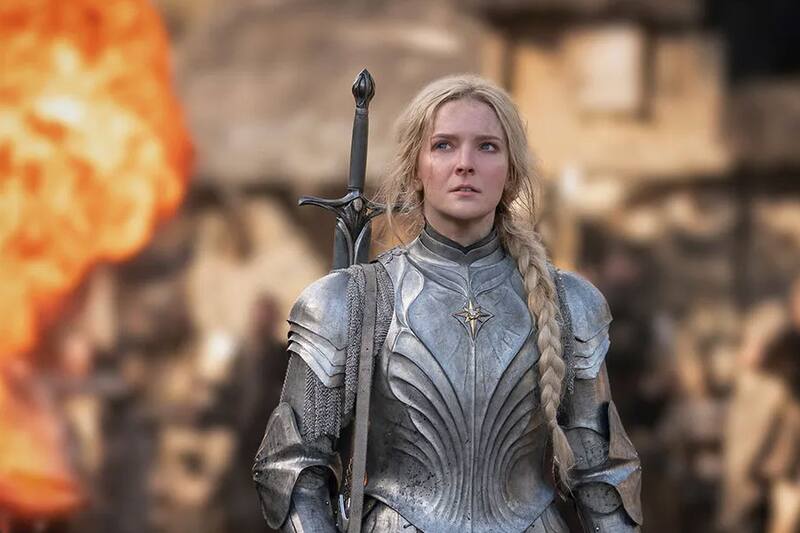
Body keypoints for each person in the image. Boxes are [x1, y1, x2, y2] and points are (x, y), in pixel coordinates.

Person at [253, 75, 642, 532]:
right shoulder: (349, 301)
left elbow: (602, 476)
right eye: (443, 146)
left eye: (487, 147)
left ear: (511, 172)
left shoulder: (570, 304)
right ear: (415, 169)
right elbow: (292, 467)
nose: (465, 164)